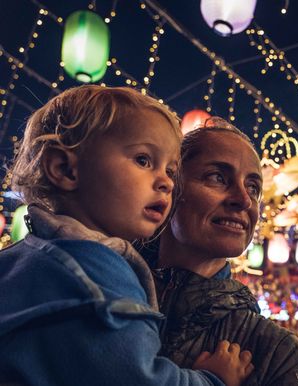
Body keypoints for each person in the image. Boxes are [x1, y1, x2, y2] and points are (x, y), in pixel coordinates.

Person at [0, 86, 253, 386]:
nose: (166, 183)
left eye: (170, 171)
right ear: (65, 169)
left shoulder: (23, 258)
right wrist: (214, 380)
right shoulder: (94, 273)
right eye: (144, 160)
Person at [143, 117, 298, 385]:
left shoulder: (275, 353)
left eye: (253, 188)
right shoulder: (103, 289)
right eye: (218, 177)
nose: (244, 200)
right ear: (170, 186)